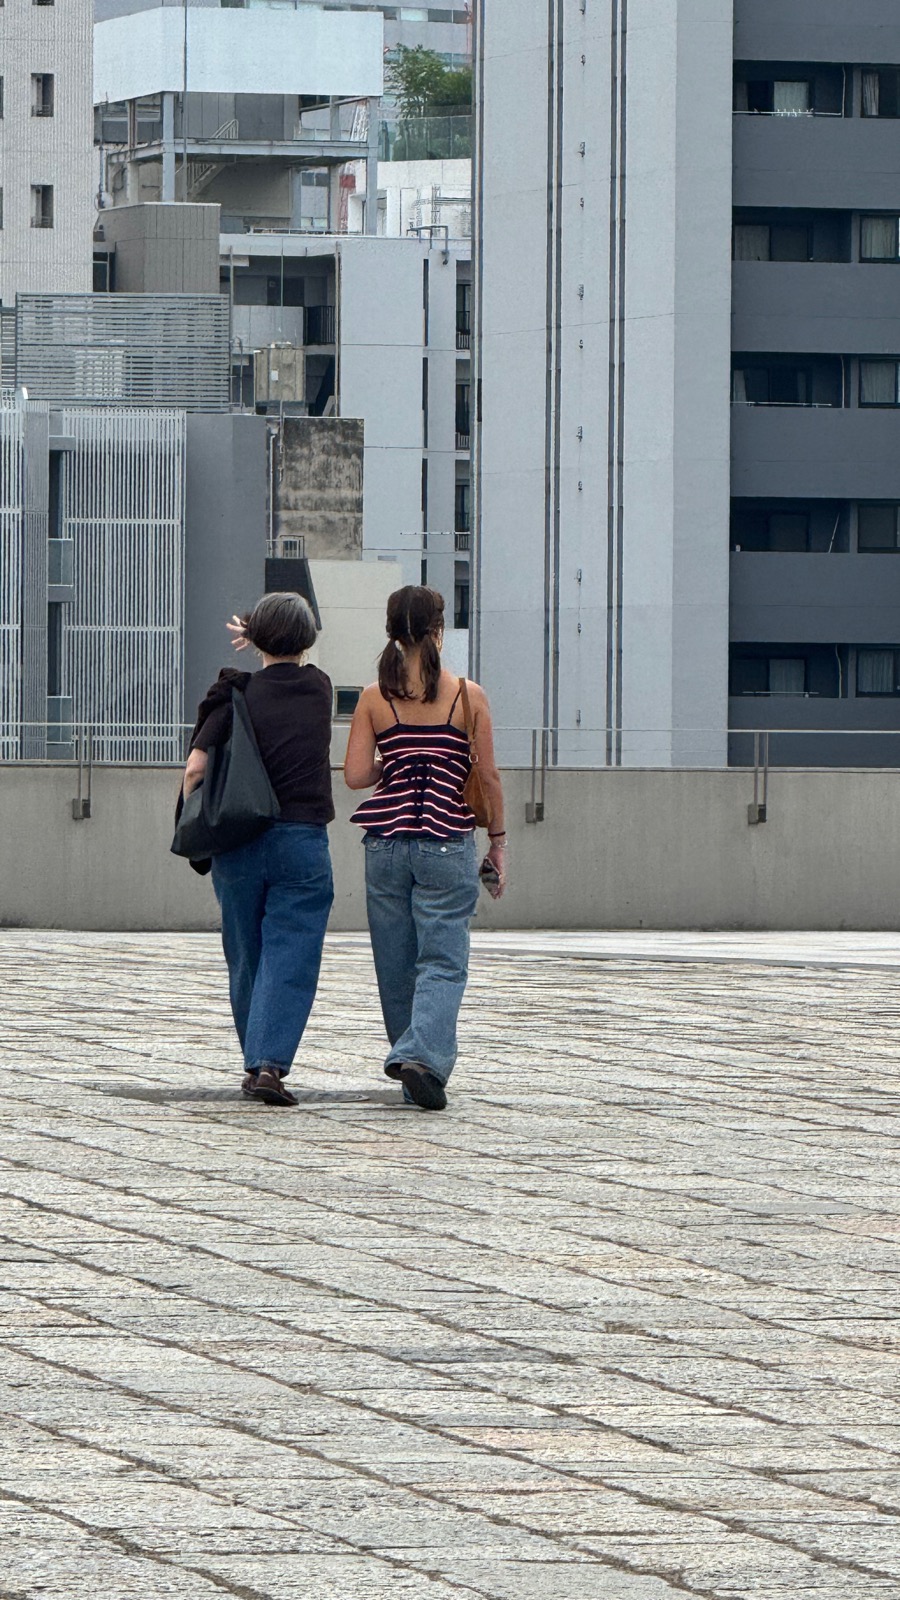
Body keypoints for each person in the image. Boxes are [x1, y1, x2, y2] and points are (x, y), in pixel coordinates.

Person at [344, 585, 507, 1112]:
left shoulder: (374, 697)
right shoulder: (467, 696)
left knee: (395, 960)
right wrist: (498, 843)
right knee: (442, 959)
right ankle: (421, 1057)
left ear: (392, 630)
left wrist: (395, 762)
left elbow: (354, 776)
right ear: (438, 630)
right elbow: (487, 776)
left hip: (386, 841)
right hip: (445, 838)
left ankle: (411, 1056)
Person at [182, 593, 334, 1107]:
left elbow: (196, 770)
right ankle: (270, 1064)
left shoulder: (233, 695)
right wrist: (267, 636)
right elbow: (294, 662)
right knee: (291, 952)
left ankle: (256, 1062)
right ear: (308, 639)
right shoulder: (319, 690)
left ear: (253, 639)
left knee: (246, 953)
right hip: (302, 840)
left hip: (240, 840)